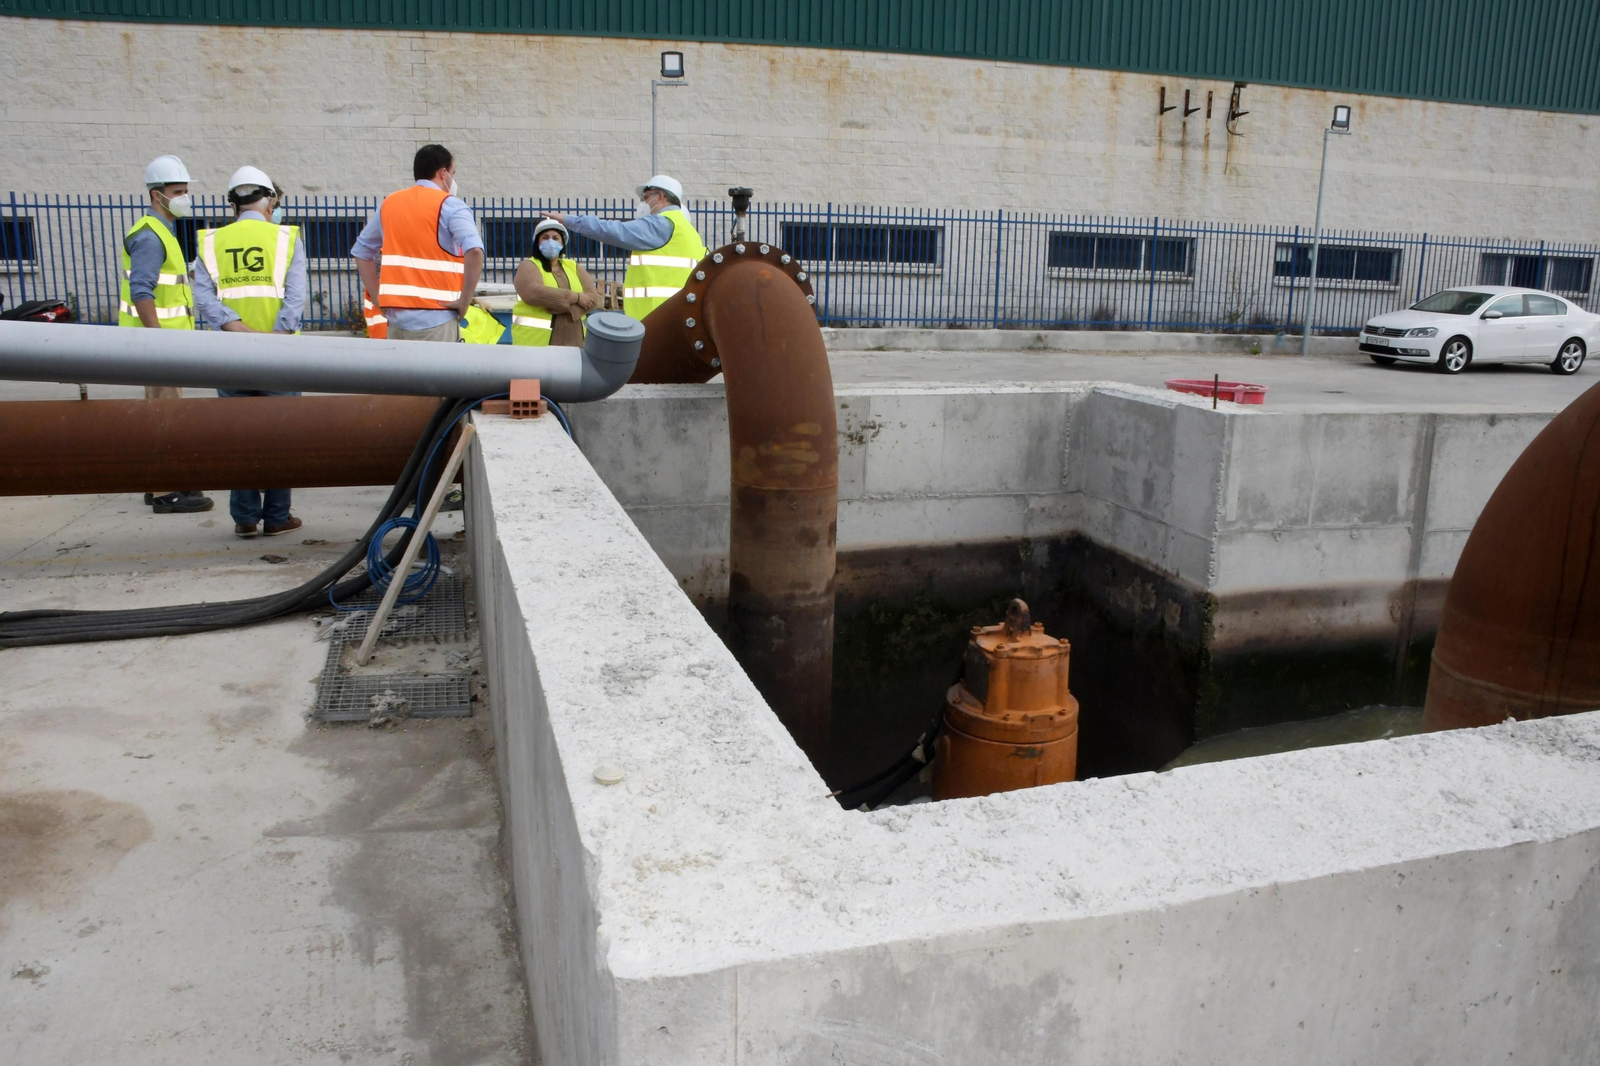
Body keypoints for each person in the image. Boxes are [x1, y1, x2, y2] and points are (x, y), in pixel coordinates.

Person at [192, 166, 308, 539]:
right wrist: (276, 335)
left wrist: (232, 325)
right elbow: (295, 297)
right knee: (281, 436)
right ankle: (276, 517)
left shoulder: (211, 241)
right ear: (270, 199)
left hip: (231, 354)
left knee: (238, 436)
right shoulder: (287, 238)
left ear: (232, 204)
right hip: (280, 356)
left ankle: (244, 518)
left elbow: (203, 296)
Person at [120, 154, 213, 515]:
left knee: (157, 411)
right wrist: (158, 340)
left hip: (160, 343)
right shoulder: (150, 235)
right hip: (157, 345)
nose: (184, 197)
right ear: (157, 195)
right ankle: (165, 491)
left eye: (185, 191)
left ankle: (154, 482)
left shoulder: (162, 231)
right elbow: (141, 290)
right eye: (177, 191)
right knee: (165, 415)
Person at [350, 144, 484, 343]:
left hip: (396, 322)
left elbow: (361, 252)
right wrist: (464, 302)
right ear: (443, 172)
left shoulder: (390, 204)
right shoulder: (450, 205)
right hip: (437, 319)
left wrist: (378, 299)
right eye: (453, 173)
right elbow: (475, 251)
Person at [543, 174, 705, 323]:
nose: (643, 203)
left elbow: (613, 230)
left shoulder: (661, 224)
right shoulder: (688, 231)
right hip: (680, 315)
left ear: (660, 197)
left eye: (645, 198)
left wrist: (570, 220)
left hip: (656, 316)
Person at [510, 219, 599, 347]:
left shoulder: (572, 266)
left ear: (562, 243)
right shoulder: (528, 266)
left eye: (555, 238)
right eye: (545, 237)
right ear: (537, 242)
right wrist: (577, 298)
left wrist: (562, 306)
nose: (550, 241)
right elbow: (534, 293)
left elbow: (593, 298)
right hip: (536, 345)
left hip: (575, 342)